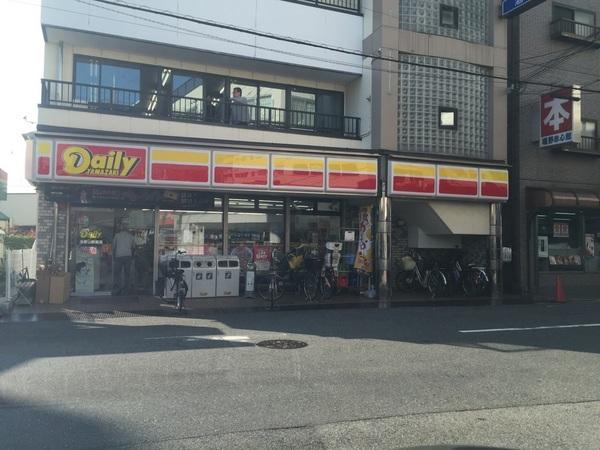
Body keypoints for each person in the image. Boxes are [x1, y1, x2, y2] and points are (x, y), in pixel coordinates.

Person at [112, 223, 136, 295]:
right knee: (127, 274)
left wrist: (113, 257)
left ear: (121, 228)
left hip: (118, 256)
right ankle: (126, 290)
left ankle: (117, 289)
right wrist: (132, 257)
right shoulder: (131, 236)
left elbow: (114, 247)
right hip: (128, 256)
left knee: (117, 273)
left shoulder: (117, 235)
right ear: (127, 229)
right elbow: (133, 247)